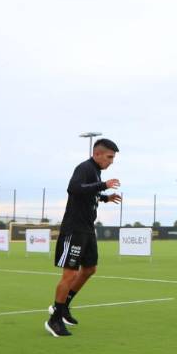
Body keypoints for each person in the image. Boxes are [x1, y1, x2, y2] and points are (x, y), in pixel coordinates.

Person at [45, 138, 121, 337]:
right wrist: (103, 185)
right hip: (74, 229)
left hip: (88, 229)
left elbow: (89, 194)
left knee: (90, 269)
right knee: (69, 275)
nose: (111, 161)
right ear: (97, 154)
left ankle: (64, 307)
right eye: (109, 157)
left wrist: (105, 197)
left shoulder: (95, 172)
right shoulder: (85, 168)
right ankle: (54, 319)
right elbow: (74, 189)